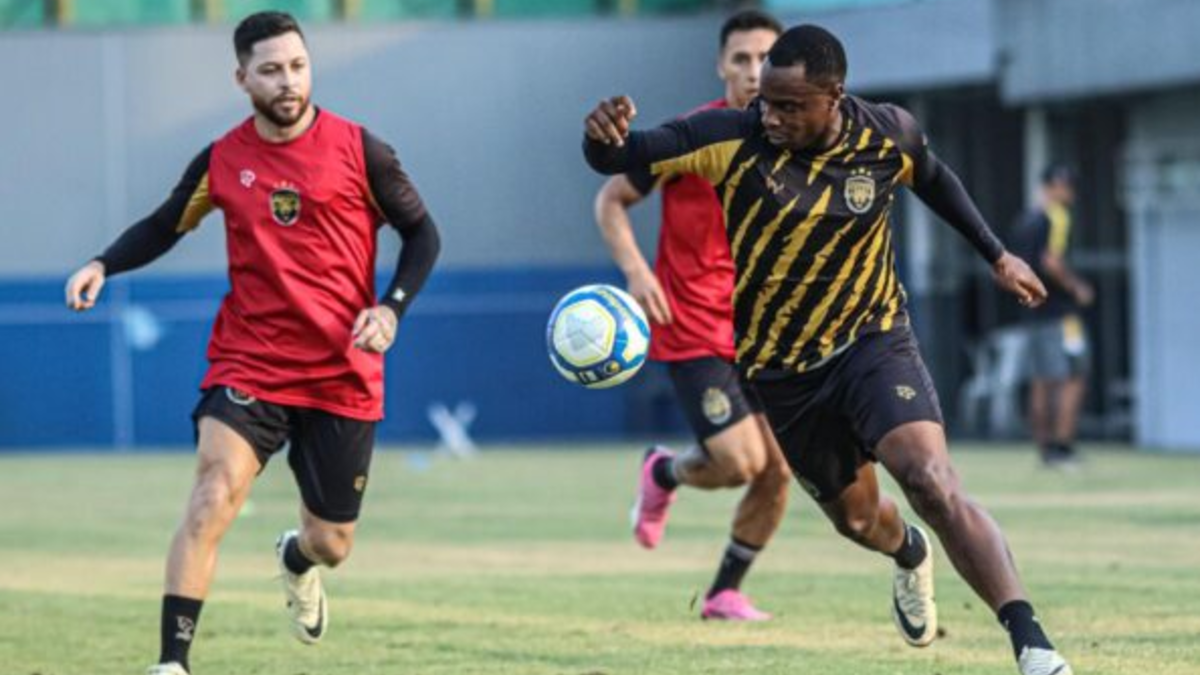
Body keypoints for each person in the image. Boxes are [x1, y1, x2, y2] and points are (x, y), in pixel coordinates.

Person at [581, 24, 1073, 675]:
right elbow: (624, 160)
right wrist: (602, 139)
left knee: (930, 479)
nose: (770, 114)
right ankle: (908, 554)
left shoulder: (886, 131)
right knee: (859, 519)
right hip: (784, 373)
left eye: (788, 105)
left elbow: (933, 177)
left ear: (833, 96)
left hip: (873, 341)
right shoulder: (729, 137)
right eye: (766, 101)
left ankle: (1031, 641)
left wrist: (997, 254)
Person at [64, 12, 440, 675]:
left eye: (297, 65)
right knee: (213, 491)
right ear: (242, 78)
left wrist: (391, 309)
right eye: (270, 70)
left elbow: (423, 235)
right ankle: (171, 663)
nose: (288, 81)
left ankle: (296, 558)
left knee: (333, 543)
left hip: (342, 371)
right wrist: (103, 263)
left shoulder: (362, 150)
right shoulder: (222, 158)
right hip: (252, 360)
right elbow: (163, 224)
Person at [593, 10, 790, 622]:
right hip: (692, 327)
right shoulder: (694, 133)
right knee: (738, 463)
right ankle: (665, 471)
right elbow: (611, 199)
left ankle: (724, 592)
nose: (755, 72)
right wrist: (637, 272)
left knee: (781, 470)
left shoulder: (796, 142)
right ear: (721, 64)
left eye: (767, 59)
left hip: (761, 331)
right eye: (742, 59)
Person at [1013, 165, 1093, 466]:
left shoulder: (1024, 220)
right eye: (1067, 186)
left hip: (1033, 313)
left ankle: (1045, 449)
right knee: (1073, 375)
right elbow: (1051, 261)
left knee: (1041, 380)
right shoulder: (1056, 216)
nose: (1070, 192)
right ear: (1053, 187)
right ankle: (1062, 447)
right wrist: (1077, 287)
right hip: (1060, 314)